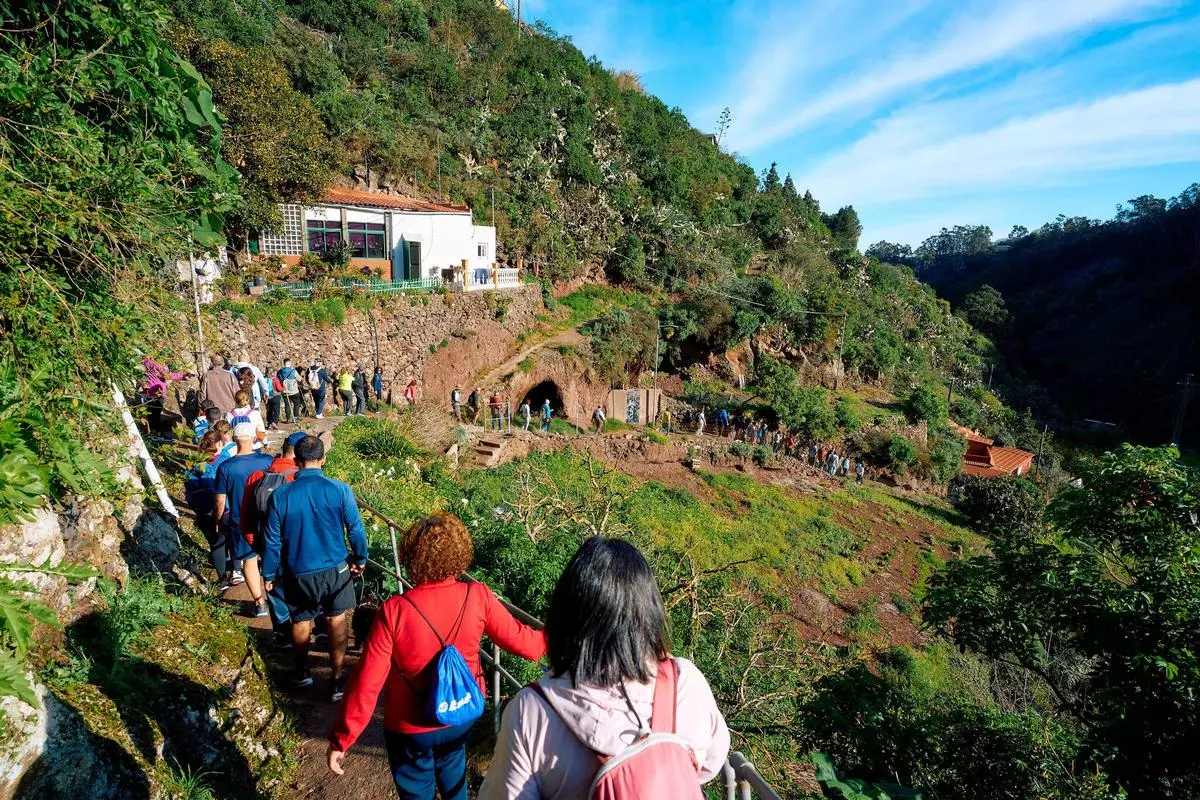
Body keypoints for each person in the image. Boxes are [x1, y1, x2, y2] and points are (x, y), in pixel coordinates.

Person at [480, 537, 730, 799]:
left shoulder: (531, 711)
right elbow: (710, 763)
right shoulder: (685, 680)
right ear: (650, 611)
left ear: (566, 613)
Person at [328, 512, 547, 799]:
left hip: (410, 726)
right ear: (460, 553)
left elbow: (367, 683)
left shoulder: (395, 610)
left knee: (416, 790)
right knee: (453, 764)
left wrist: (342, 739)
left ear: (411, 558)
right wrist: (568, 630)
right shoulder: (477, 596)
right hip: (460, 713)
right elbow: (528, 645)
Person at [263, 435, 369, 697]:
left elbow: (273, 540)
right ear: (323, 459)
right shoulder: (340, 489)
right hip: (336, 567)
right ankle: (336, 680)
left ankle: (302, 672)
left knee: (300, 619)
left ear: (296, 461)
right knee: (336, 619)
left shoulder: (281, 496)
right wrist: (360, 558)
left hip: (297, 569)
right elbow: (355, 529)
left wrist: (269, 573)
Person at [240, 431, 307, 645]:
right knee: (301, 590)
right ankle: (304, 633)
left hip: (268, 545)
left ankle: (282, 634)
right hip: (298, 546)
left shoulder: (258, 477)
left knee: (275, 589)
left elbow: (246, 515)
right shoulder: (300, 478)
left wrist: (256, 543)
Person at [214, 423, 274, 597]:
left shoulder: (225, 467)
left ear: (234, 439)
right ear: (254, 438)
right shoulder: (267, 461)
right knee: (271, 555)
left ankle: (259, 602)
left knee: (249, 561)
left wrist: (218, 521)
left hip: (240, 520)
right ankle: (276, 595)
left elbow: (220, 499)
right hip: (267, 517)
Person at [279, 359, 304, 423]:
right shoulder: (293, 371)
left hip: (285, 391)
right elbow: (299, 379)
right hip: (294, 391)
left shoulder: (280, 372)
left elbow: (279, 380)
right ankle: (295, 417)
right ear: (289, 363)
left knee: (287, 405)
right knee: (297, 403)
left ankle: (288, 419)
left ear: (284, 363)